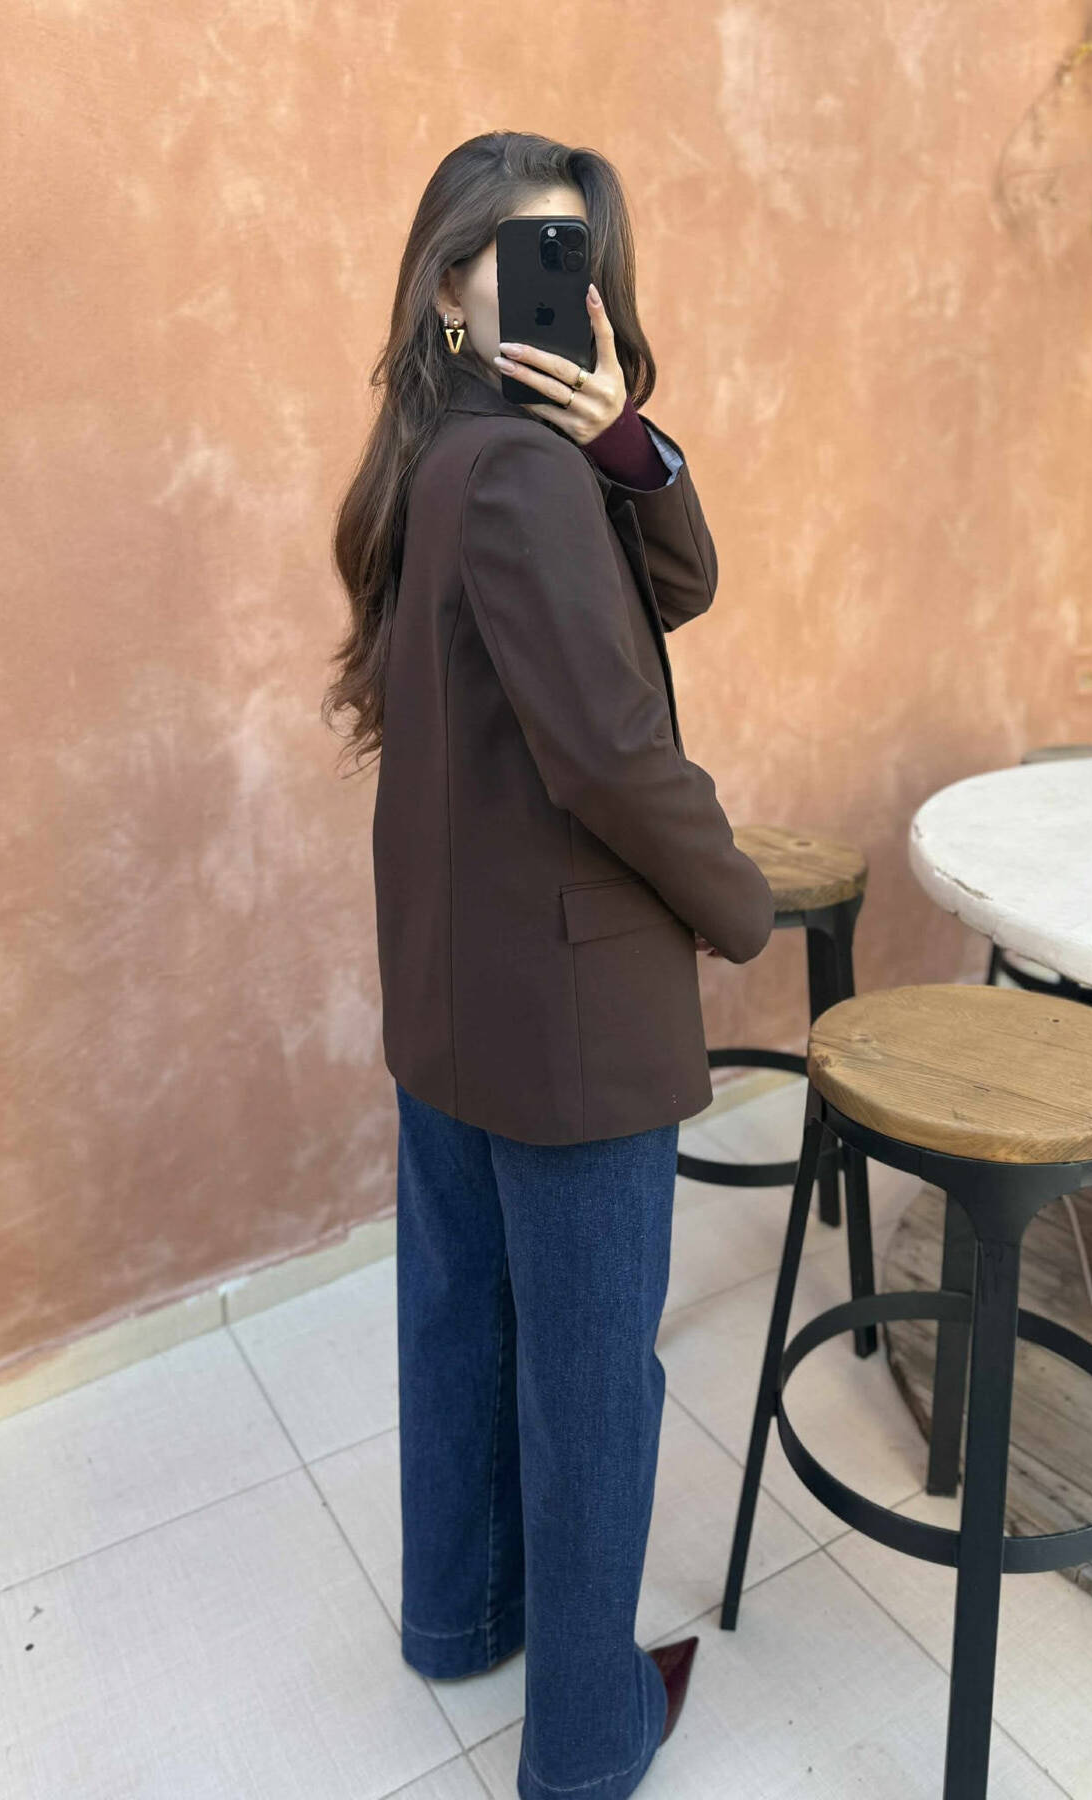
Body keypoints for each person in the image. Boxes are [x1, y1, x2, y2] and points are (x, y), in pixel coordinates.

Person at [323, 130, 774, 1800]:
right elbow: (612, 757)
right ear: (448, 286)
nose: (557, 289)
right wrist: (739, 907)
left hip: (457, 995)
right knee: (591, 1387)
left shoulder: (455, 459)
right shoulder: (513, 477)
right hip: (571, 1009)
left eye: (576, 256)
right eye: (518, 253)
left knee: (462, 1320)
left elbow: (682, 589)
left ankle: (462, 1619)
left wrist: (628, 442)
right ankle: (587, 1743)